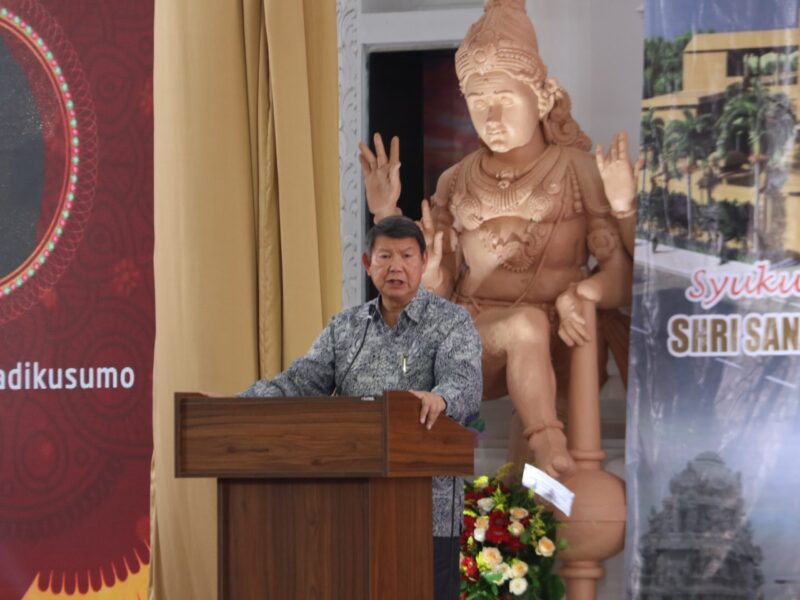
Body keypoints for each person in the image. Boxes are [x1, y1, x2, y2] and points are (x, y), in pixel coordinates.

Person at [359, 0, 637, 480]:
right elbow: (430, 299)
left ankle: (516, 505)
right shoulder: (456, 182)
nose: (490, 115)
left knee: (536, 490)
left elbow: (623, 277)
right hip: (478, 337)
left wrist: (585, 290)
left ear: (544, 98)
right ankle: (545, 443)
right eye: (476, 99)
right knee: (524, 325)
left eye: (505, 98)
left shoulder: (579, 171)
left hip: (565, 342)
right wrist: (392, 220)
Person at [241, 215, 482, 600]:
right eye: (385, 256)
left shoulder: (451, 323)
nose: (396, 267)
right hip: (350, 511)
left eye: (406, 256)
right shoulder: (346, 328)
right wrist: (242, 404)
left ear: (423, 261)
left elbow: (466, 385)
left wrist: (442, 398)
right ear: (368, 265)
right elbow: (301, 381)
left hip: (425, 514)